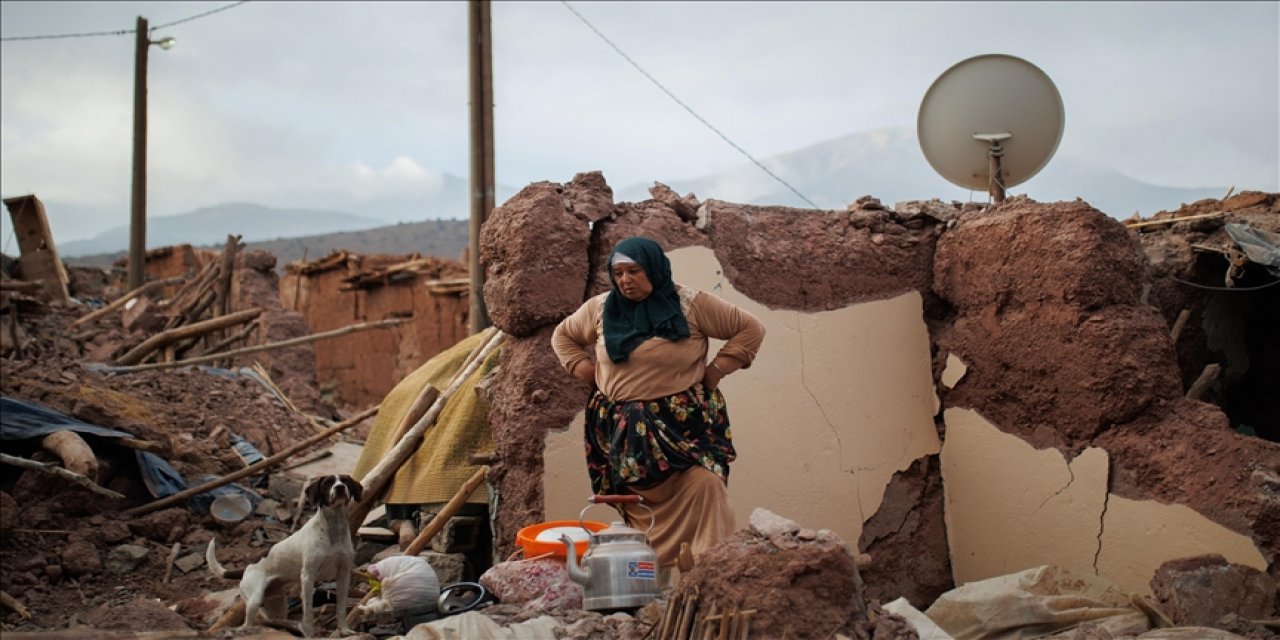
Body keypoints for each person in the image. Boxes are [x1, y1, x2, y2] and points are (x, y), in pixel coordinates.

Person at [551, 235, 765, 579]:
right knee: (638, 506)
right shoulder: (601, 308)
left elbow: (750, 328)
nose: (625, 280)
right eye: (618, 273)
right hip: (626, 439)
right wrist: (581, 368)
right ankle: (650, 593)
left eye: (634, 271)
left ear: (653, 268)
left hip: (684, 431)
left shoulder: (690, 305)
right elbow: (563, 336)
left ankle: (711, 580)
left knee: (707, 483)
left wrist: (717, 369)